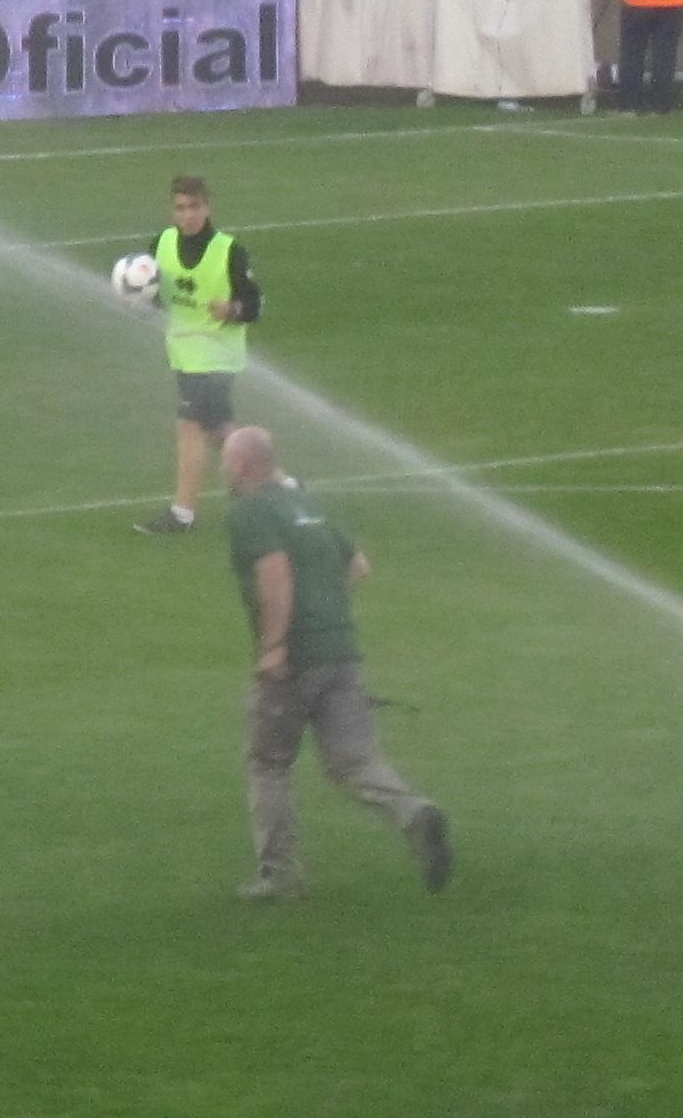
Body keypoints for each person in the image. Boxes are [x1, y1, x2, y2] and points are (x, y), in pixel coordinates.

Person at [221, 424, 450, 901]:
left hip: (294, 663)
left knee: (269, 763)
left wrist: (275, 646)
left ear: (242, 465)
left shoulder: (251, 514)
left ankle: (280, 876)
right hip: (341, 653)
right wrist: (326, 613)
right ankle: (414, 812)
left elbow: (275, 574)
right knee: (354, 761)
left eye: (226, 459)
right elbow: (358, 566)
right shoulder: (306, 506)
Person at [138, 172, 257, 535]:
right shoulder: (160, 244)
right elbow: (154, 297)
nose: (187, 215)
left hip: (219, 356)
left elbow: (254, 305)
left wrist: (232, 309)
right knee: (220, 427)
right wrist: (140, 302)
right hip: (184, 354)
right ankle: (272, 489)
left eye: (194, 207)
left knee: (189, 424)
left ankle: (182, 513)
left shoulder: (230, 250)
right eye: (180, 208)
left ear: (207, 208)